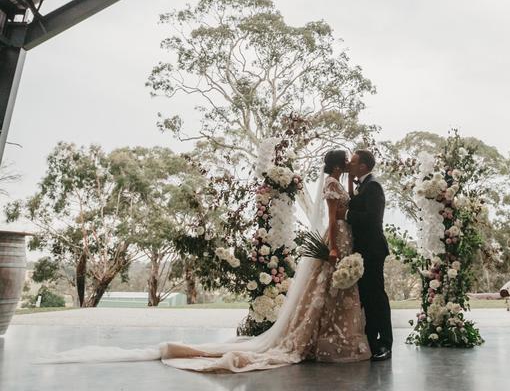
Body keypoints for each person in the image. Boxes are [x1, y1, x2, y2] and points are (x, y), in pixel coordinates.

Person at [43, 149, 370, 372]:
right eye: (349, 163)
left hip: (342, 236)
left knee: (330, 292)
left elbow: (346, 204)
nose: (352, 166)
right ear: (340, 166)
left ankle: (328, 337)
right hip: (335, 239)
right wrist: (332, 248)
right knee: (323, 290)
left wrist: (352, 189)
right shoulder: (330, 185)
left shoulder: (338, 182)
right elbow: (331, 216)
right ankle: (317, 339)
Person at [338, 149, 393, 361]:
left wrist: (346, 215)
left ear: (362, 166)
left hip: (373, 250)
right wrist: (351, 184)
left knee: (377, 296)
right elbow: (356, 201)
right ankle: (372, 341)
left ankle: (385, 344)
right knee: (367, 297)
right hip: (363, 250)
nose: (349, 165)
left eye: (352, 162)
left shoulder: (374, 186)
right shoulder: (364, 186)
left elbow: (372, 218)